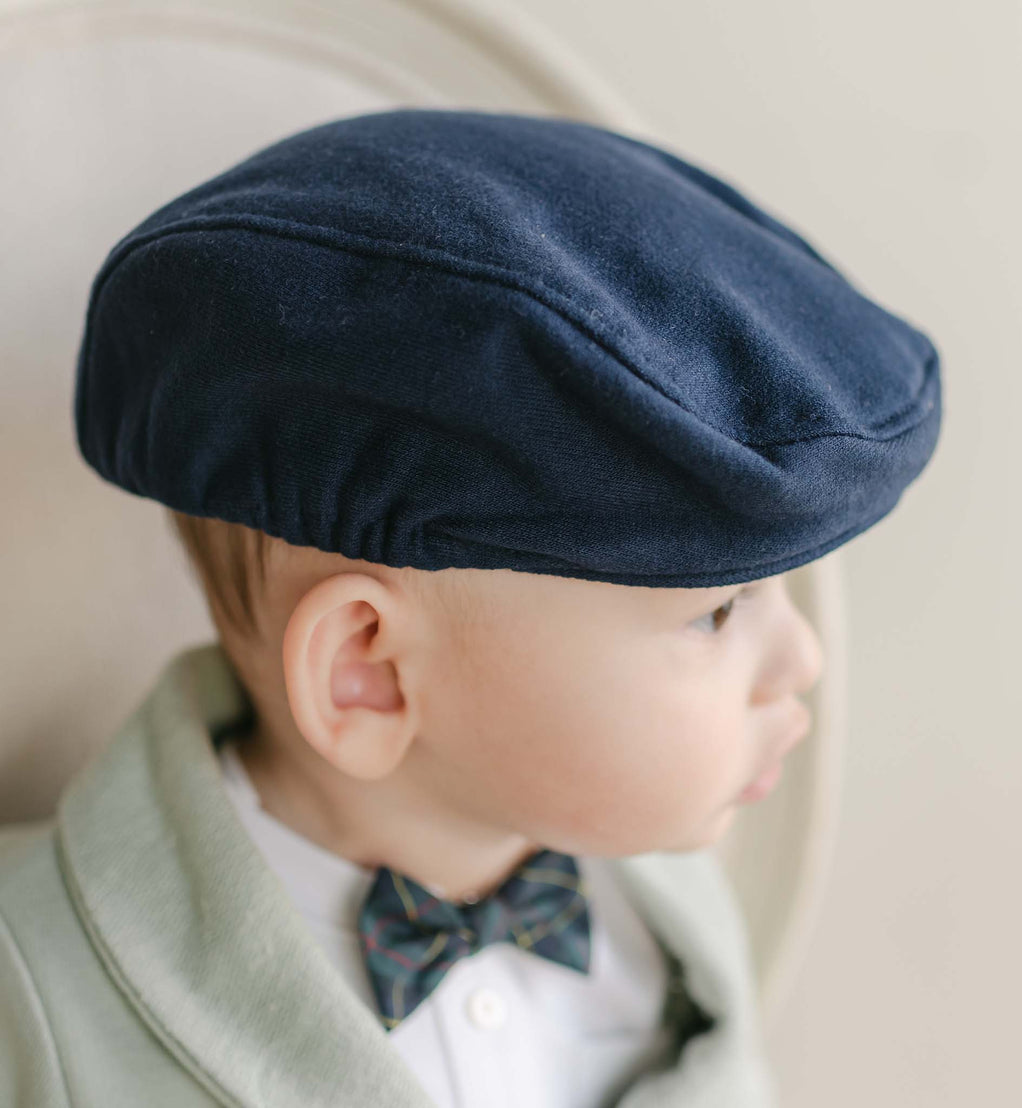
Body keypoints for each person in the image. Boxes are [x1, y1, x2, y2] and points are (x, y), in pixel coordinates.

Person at [0, 108, 943, 1107]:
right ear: (367, 670)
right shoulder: (37, 999)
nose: (800, 655)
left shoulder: (666, 897)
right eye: (716, 612)